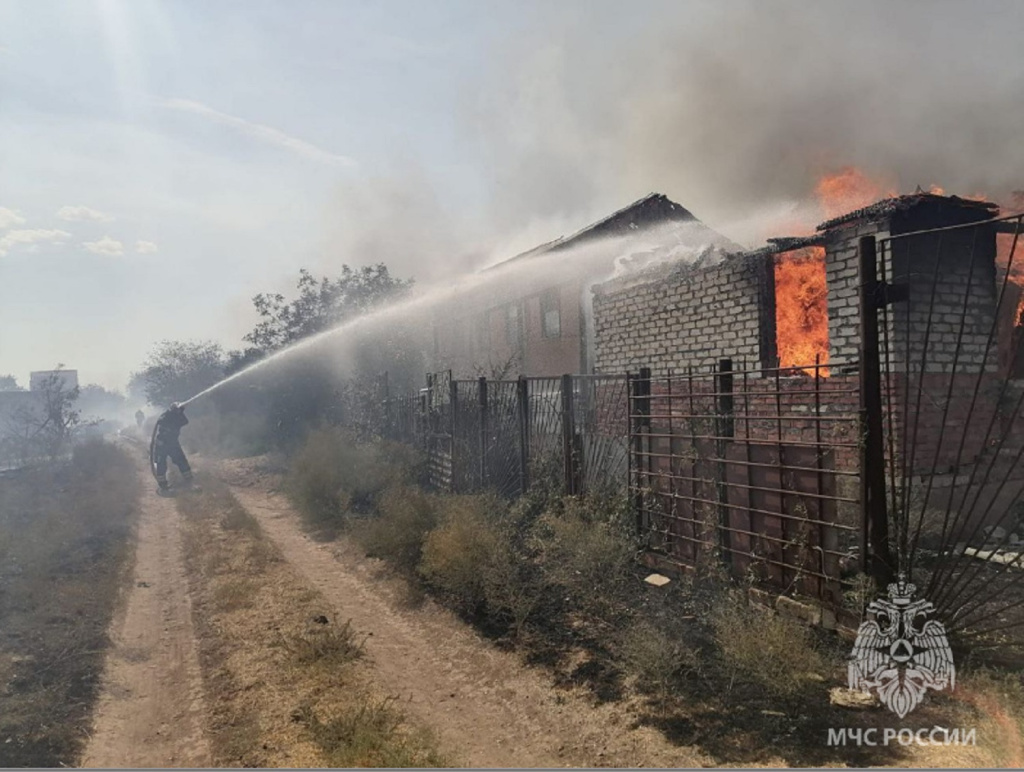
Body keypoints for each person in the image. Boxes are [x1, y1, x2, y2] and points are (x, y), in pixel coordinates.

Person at [151, 402, 192, 491]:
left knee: (181, 461)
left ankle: (189, 481)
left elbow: (185, 422)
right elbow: (161, 421)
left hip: (172, 443)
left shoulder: (178, 417)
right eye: (176, 409)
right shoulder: (165, 416)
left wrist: (180, 412)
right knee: (161, 463)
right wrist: (171, 412)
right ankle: (162, 484)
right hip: (162, 443)